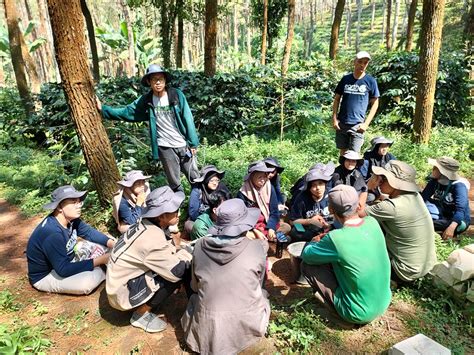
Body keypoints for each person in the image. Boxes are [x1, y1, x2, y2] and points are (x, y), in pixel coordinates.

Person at [181, 199, 270, 354]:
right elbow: (259, 282)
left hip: (206, 328)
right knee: (263, 294)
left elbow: (195, 287)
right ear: (245, 225)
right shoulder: (257, 248)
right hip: (245, 326)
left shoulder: (200, 245)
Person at [96, 64, 199, 192]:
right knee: (175, 183)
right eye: (154, 79)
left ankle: (201, 206)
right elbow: (127, 112)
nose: (158, 82)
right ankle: (176, 209)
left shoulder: (176, 95)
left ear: (165, 80)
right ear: (149, 82)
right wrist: (104, 109)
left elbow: (187, 117)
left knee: (195, 178)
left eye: (160, 79)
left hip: (183, 144)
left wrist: (193, 143)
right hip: (165, 146)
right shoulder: (147, 100)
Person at [106, 186, 193, 333]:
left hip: (120, 279)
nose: (178, 213)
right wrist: (189, 251)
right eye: (174, 210)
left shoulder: (145, 223)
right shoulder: (152, 238)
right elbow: (176, 271)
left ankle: (147, 300)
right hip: (121, 291)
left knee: (177, 262)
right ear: (161, 216)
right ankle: (140, 314)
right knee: (176, 273)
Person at [301, 185, 391, 325]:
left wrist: (313, 243)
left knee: (308, 265)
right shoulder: (372, 222)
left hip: (357, 312)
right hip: (384, 301)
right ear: (359, 204)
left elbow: (307, 255)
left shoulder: (336, 238)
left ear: (330, 210)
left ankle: (338, 313)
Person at [26, 185, 115, 295]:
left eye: (79, 202)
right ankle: (103, 268)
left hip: (67, 260)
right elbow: (63, 269)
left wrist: (113, 244)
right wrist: (101, 260)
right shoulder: (52, 233)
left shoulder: (71, 219)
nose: (79, 206)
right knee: (87, 283)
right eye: (73, 202)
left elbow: (89, 232)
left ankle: (101, 264)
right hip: (47, 275)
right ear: (59, 207)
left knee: (108, 241)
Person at [361, 160, 437, 283]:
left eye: (384, 179)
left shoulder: (391, 207)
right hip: (424, 266)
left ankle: (390, 279)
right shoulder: (415, 196)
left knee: (361, 233)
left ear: (395, 183)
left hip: (403, 271)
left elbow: (356, 215)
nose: (380, 181)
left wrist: (367, 187)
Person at [332, 51, 380, 155]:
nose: (362, 65)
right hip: (342, 123)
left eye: (365, 63)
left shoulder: (370, 81)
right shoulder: (346, 79)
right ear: (355, 62)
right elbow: (336, 99)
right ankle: (341, 171)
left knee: (354, 155)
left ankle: (354, 171)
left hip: (358, 125)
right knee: (343, 153)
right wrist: (335, 119)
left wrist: (366, 124)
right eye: (360, 62)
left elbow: (375, 104)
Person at [237, 160, 291, 242]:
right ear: (252, 177)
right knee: (244, 234)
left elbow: (274, 211)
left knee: (286, 227)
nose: (263, 180)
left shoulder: (269, 188)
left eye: (264, 177)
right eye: (259, 177)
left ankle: (268, 236)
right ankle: (270, 238)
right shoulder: (243, 192)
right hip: (252, 225)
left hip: (266, 221)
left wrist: (271, 228)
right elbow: (241, 217)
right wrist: (255, 230)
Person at [421, 157, 471, 240]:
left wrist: (452, 227)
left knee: (423, 223)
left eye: (435, 168)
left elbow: (460, 210)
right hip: (442, 211)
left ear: (442, 172)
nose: (432, 169)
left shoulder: (459, 186)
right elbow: (423, 198)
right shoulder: (435, 181)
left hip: (456, 220)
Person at [289, 162, 335, 243]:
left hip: (328, 226)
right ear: (309, 188)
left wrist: (328, 224)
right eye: (314, 185)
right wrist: (310, 221)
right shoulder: (302, 198)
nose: (318, 188)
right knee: (295, 232)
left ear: (325, 184)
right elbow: (293, 221)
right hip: (309, 228)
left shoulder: (331, 194)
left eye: (320, 184)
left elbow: (339, 216)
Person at [360, 136, 396, 204]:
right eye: (382, 146)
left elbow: (396, 174)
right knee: (370, 198)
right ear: (376, 147)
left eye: (386, 146)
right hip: (372, 186)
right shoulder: (367, 159)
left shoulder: (390, 157)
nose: (384, 149)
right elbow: (362, 177)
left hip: (387, 185)